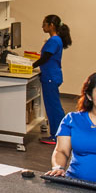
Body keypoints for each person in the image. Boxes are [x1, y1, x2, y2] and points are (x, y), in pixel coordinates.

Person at [34, 14, 72, 145]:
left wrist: (31, 66)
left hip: (50, 77)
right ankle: (61, 134)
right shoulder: (55, 40)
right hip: (51, 75)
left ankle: (57, 136)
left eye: (44, 24)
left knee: (53, 108)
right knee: (54, 106)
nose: (42, 26)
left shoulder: (54, 41)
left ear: (51, 26)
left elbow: (45, 58)